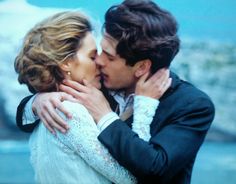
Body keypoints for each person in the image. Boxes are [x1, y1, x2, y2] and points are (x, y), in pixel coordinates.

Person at [16, 0, 215, 184]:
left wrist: (105, 116)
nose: (100, 61)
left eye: (109, 57)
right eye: (99, 52)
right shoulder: (98, 82)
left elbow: (156, 169)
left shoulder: (191, 105)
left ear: (141, 67)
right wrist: (37, 101)